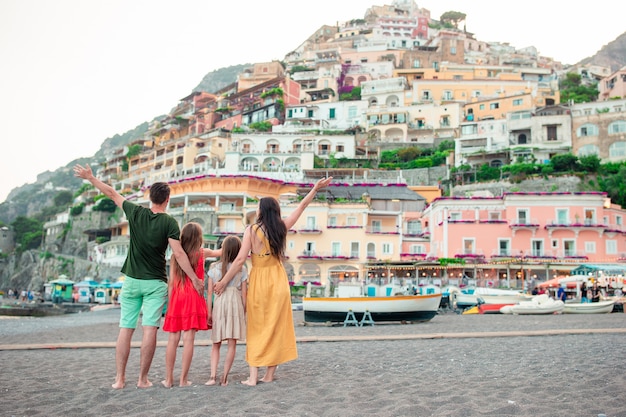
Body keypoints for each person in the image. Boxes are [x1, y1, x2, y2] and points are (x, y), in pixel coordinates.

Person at [73, 163, 203, 389]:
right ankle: (142, 379)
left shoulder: (135, 212)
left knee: (126, 328)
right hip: (154, 283)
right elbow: (179, 253)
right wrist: (194, 278)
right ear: (167, 199)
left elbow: (112, 193)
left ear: (150, 197)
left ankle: (120, 379)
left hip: (131, 280)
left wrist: (90, 178)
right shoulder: (169, 222)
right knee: (150, 328)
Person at [214, 176, 333, 386]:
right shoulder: (281, 227)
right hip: (278, 280)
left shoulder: (251, 230)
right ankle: (268, 375)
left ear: (262, 211)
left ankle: (253, 377)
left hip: (260, 281)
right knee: (276, 327)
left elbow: (240, 259)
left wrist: (223, 281)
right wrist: (315, 189)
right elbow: (302, 206)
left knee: (257, 327)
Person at [161, 222, 221, 388]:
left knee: (172, 339)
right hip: (193, 299)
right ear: (199, 238)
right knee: (189, 340)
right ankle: (183, 380)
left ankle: (168, 380)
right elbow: (222, 252)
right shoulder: (201, 254)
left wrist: (169, 305)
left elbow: (171, 283)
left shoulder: (175, 257)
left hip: (177, 298)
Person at [205, 235, 248, 387]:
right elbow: (244, 293)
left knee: (216, 342)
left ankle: (212, 376)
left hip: (220, 302)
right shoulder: (242, 269)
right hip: (235, 302)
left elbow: (209, 293)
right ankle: (224, 377)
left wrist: (209, 312)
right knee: (232, 343)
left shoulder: (213, 268)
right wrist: (243, 310)